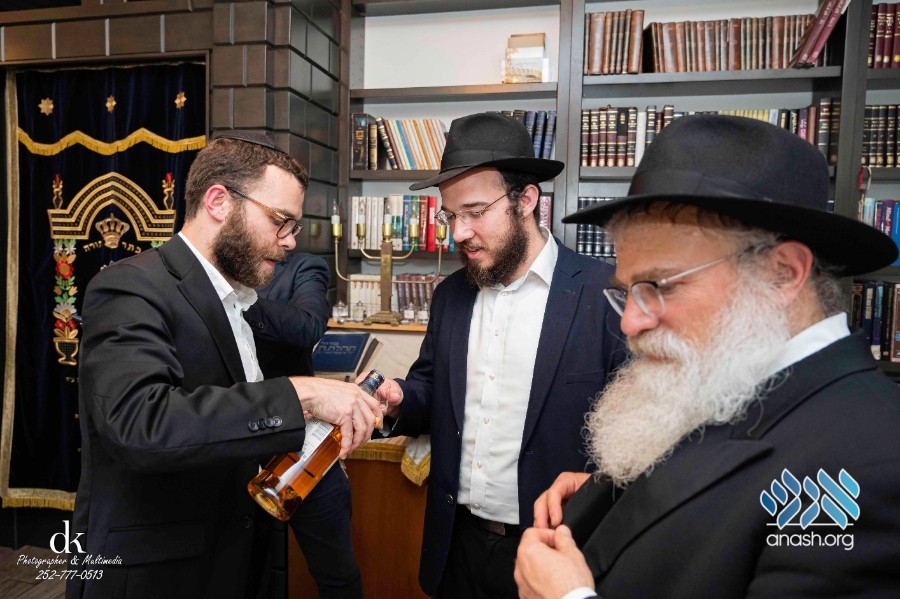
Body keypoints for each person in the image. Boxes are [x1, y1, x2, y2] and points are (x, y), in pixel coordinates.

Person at [514, 114, 900, 598]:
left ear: (782, 273)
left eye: (660, 286)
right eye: (628, 292)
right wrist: (606, 497)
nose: (629, 323)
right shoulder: (728, 372)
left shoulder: (874, 464)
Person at [70, 131, 381, 599]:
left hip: (233, 556)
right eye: (280, 221)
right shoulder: (131, 286)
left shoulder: (238, 297)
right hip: (160, 574)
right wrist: (304, 393)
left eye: (293, 227)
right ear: (218, 201)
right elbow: (140, 424)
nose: (289, 241)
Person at [372, 112, 627, 598]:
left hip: (556, 550)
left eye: (474, 212)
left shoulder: (604, 294)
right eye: (451, 216)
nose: (458, 233)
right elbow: (432, 390)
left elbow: (636, 443)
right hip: (458, 547)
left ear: (526, 200)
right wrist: (399, 399)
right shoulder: (451, 295)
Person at [245, 252, 364, 598]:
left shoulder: (302, 267)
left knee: (337, 573)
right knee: (243, 572)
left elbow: (308, 326)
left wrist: (236, 301)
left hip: (302, 445)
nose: (289, 238)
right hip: (233, 444)